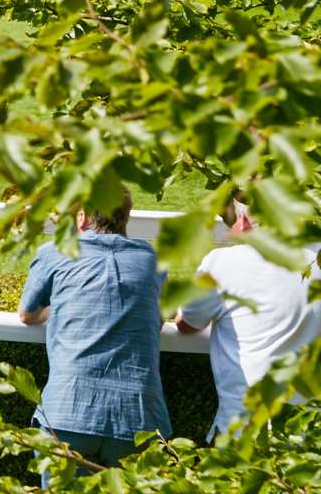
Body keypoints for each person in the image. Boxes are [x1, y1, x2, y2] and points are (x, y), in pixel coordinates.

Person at [18, 190, 170, 478]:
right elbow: (158, 320)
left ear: (82, 218)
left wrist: (59, 306)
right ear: (126, 217)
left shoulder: (55, 252)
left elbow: (27, 313)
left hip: (67, 412)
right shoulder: (153, 260)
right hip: (138, 418)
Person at [175, 199, 321, 439]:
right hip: (308, 428)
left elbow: (187, 324)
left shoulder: (223, 262)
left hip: (242, 428)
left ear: (243, 221)